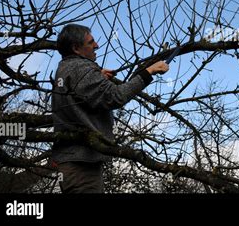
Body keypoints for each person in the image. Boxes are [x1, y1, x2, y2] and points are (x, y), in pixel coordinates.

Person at [51, 24, 169, 193]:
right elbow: (116, 97)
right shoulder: (80, 69)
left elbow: (84, 94)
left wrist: (96, 78)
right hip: (81, 166)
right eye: (91, 42)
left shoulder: (65, 69)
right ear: (76, 48)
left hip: (75, 162)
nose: (97, 45)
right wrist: (149, 72)